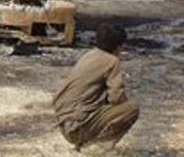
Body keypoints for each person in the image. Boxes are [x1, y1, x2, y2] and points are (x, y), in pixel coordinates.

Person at [52, 23, 139, 151]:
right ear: (119, 46)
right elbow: (117, 97)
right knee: (132, 108)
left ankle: (85, 144)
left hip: (65, 124)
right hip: (78, 127)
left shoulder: (88, 55)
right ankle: (98, 148)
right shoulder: (112, 61)